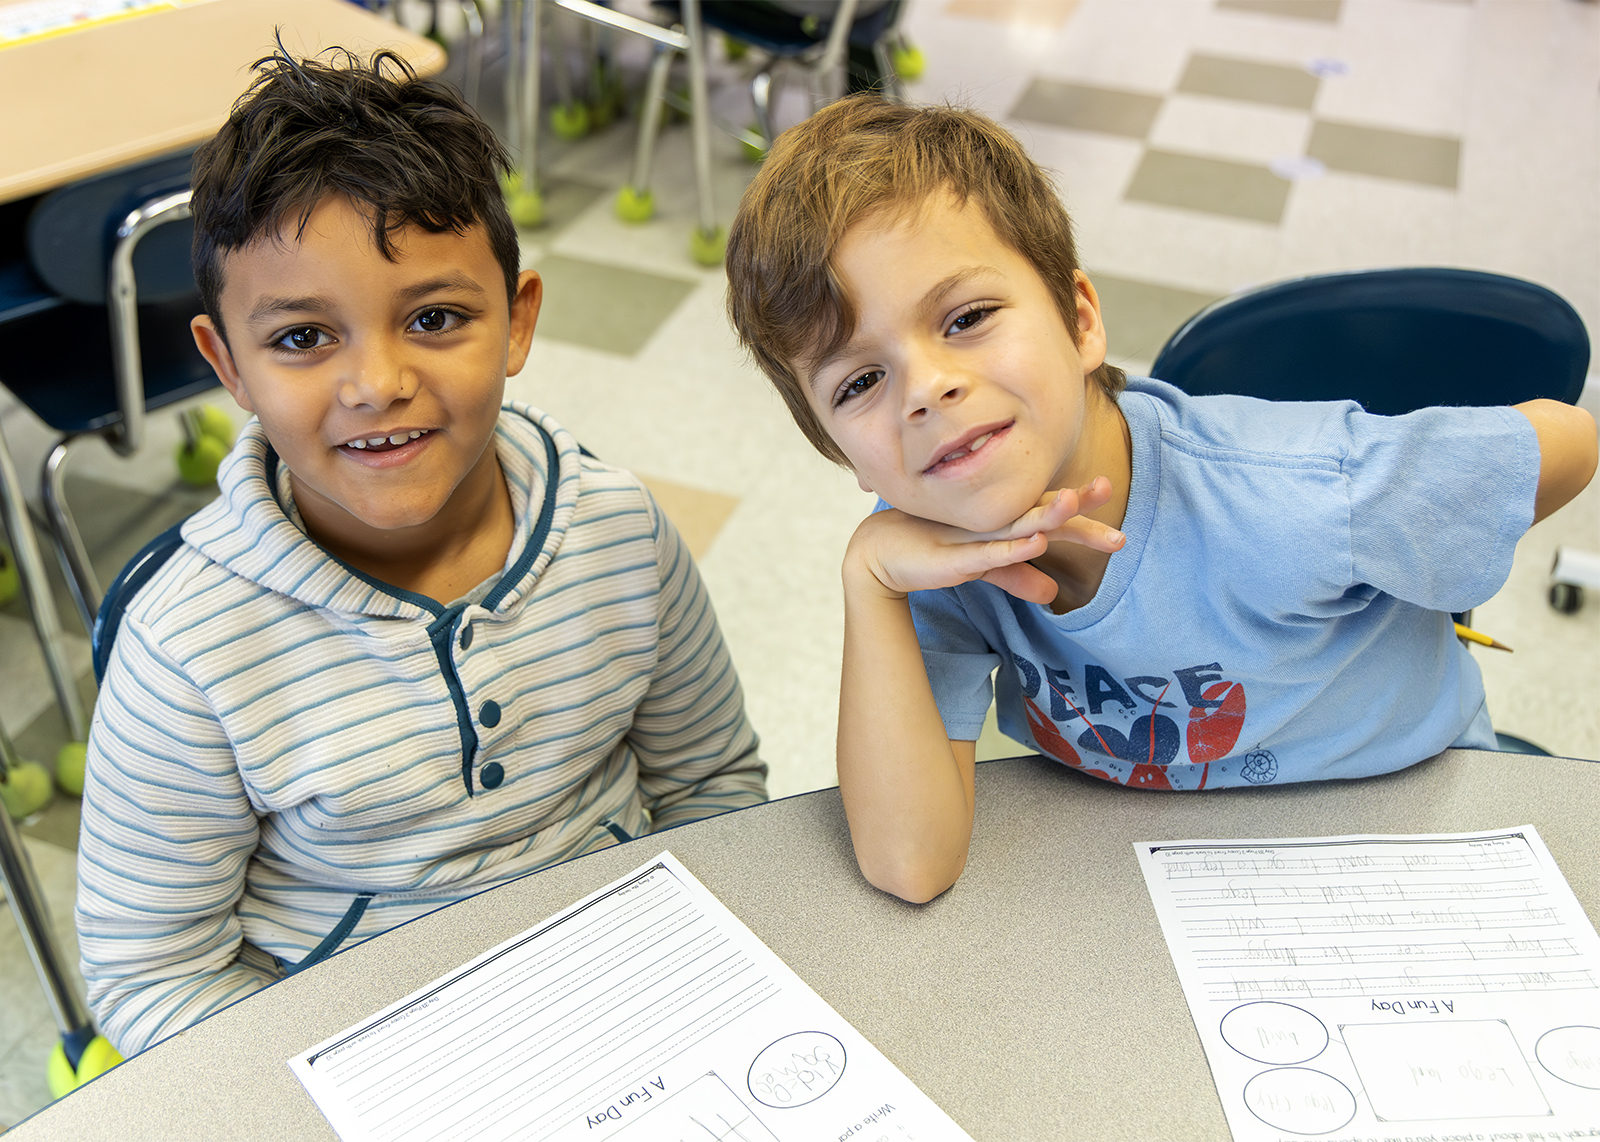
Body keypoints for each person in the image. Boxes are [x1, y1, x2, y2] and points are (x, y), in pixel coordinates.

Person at [723, 95, 1596, 905]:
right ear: (842, 454)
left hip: (1412, 825)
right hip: (1161, 883)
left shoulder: (1296, 493)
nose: (926, 388)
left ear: (1079, 321)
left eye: (965, 318)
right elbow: (912, 863)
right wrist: (868, 582)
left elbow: (1568, 437)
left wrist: (1422, 532)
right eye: (861, 381)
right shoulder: (926, 555)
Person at [76, 50, 766, 1055]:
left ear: (516, 321)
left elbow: (712, 785)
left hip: (631, 993)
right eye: (304, 338)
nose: (378, 382)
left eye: (434, 318)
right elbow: (152, 968)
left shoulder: (620, 529)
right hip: (361, 1049)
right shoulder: (188, 648)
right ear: (226, 364)